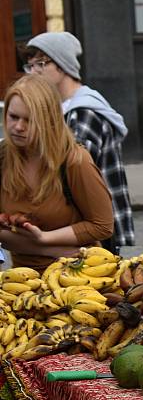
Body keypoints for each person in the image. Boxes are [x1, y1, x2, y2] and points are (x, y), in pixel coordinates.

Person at [24, 32, 134, 255]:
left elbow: (69, 172)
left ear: (62, 66)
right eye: (30, 65)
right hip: (83, 226)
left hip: (92, 227)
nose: (34, 71)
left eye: (41, 64)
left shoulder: (82, 112)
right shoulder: (67, 108)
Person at [0, 75, 114, 273]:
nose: (18, 127)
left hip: (80, 276)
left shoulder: (74, 161)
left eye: (29, 120)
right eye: (13, 117)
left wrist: (45, 238)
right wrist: (56, 249)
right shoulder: (3, 157)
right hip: (22, 281)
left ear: (49, 120)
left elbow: (102, 226)